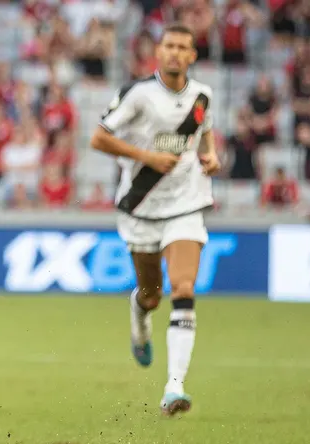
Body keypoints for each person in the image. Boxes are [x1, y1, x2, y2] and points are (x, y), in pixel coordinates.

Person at [89, 24, 221, 417]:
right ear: (158, 51)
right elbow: (98, 138)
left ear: (193, 55)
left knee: (184, 287)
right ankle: (139, 312)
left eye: (183, 47)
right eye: (169, 46)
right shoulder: (139, 94)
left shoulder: (202, 95)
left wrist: (210, 157)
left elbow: (205, 133)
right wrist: (146, 158)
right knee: (152, 295)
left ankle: (174, 387)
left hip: (186, 203)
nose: (176, 53)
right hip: (142, 206)